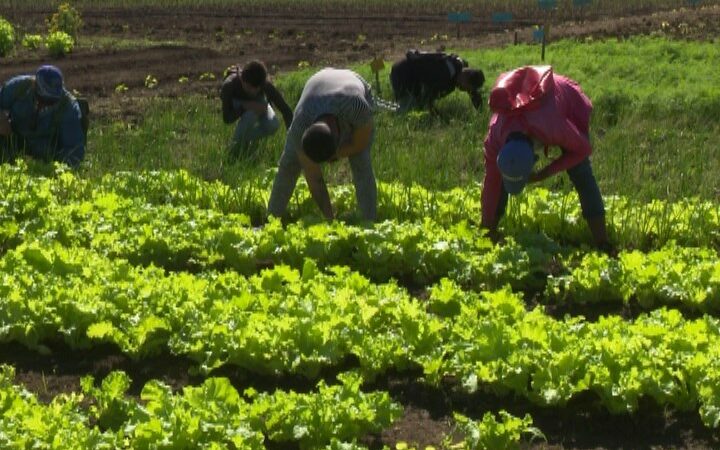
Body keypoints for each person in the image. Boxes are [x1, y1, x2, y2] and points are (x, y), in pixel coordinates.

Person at [481, 65, 611, 250]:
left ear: (534, 159)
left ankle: (602, 241)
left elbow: (582, 149)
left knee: (580, 171)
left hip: (565, 102)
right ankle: (490, 231)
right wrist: (485, 228)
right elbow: (491, 184)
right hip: (532, 108)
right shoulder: (495, 137)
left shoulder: (554, 126)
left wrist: (546, 172)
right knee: (498, 181)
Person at [267, 68, 376, 222]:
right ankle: (271, 220)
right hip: (318, 85)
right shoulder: (300, 125)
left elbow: (360, 143)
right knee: (289, 164)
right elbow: (314, 179)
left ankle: (369, 221)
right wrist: (330, 219)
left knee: (361, 162)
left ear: (339, 137)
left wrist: (339, 153)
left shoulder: (356, 106)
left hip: (350, 83)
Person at [0, 65, 85, 168]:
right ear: (34, 85)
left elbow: (74, 150)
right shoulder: (19, 87)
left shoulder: (68, 108)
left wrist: (54, 169)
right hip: (13, 144)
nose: (44, 105)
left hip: (45, 156)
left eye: (50, 102)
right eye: (42, 99)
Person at [220, 60, 293, 158]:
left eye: (256, 89)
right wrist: (246, 107)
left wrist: (293, 142)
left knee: (273, 124)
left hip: (258, 104)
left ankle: (243, 141)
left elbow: (286, 111)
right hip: (238, 102)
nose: (252, 92)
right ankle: (235, 149)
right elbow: (227, 119)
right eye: (248, 88)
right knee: (250, 115)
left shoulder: (265, 85)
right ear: (242, 79)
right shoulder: (229, 85)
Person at [390, 49, 485, 112]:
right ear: (465, 78)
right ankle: (380, 109)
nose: (464, 90)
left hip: (416, 72)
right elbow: (428, 98)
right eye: (466, 87)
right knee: (408, 109)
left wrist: (481, 111)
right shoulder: (444, 74)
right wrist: (437, 116)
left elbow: (472, 90)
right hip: (403, 74)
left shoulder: (461, 66)